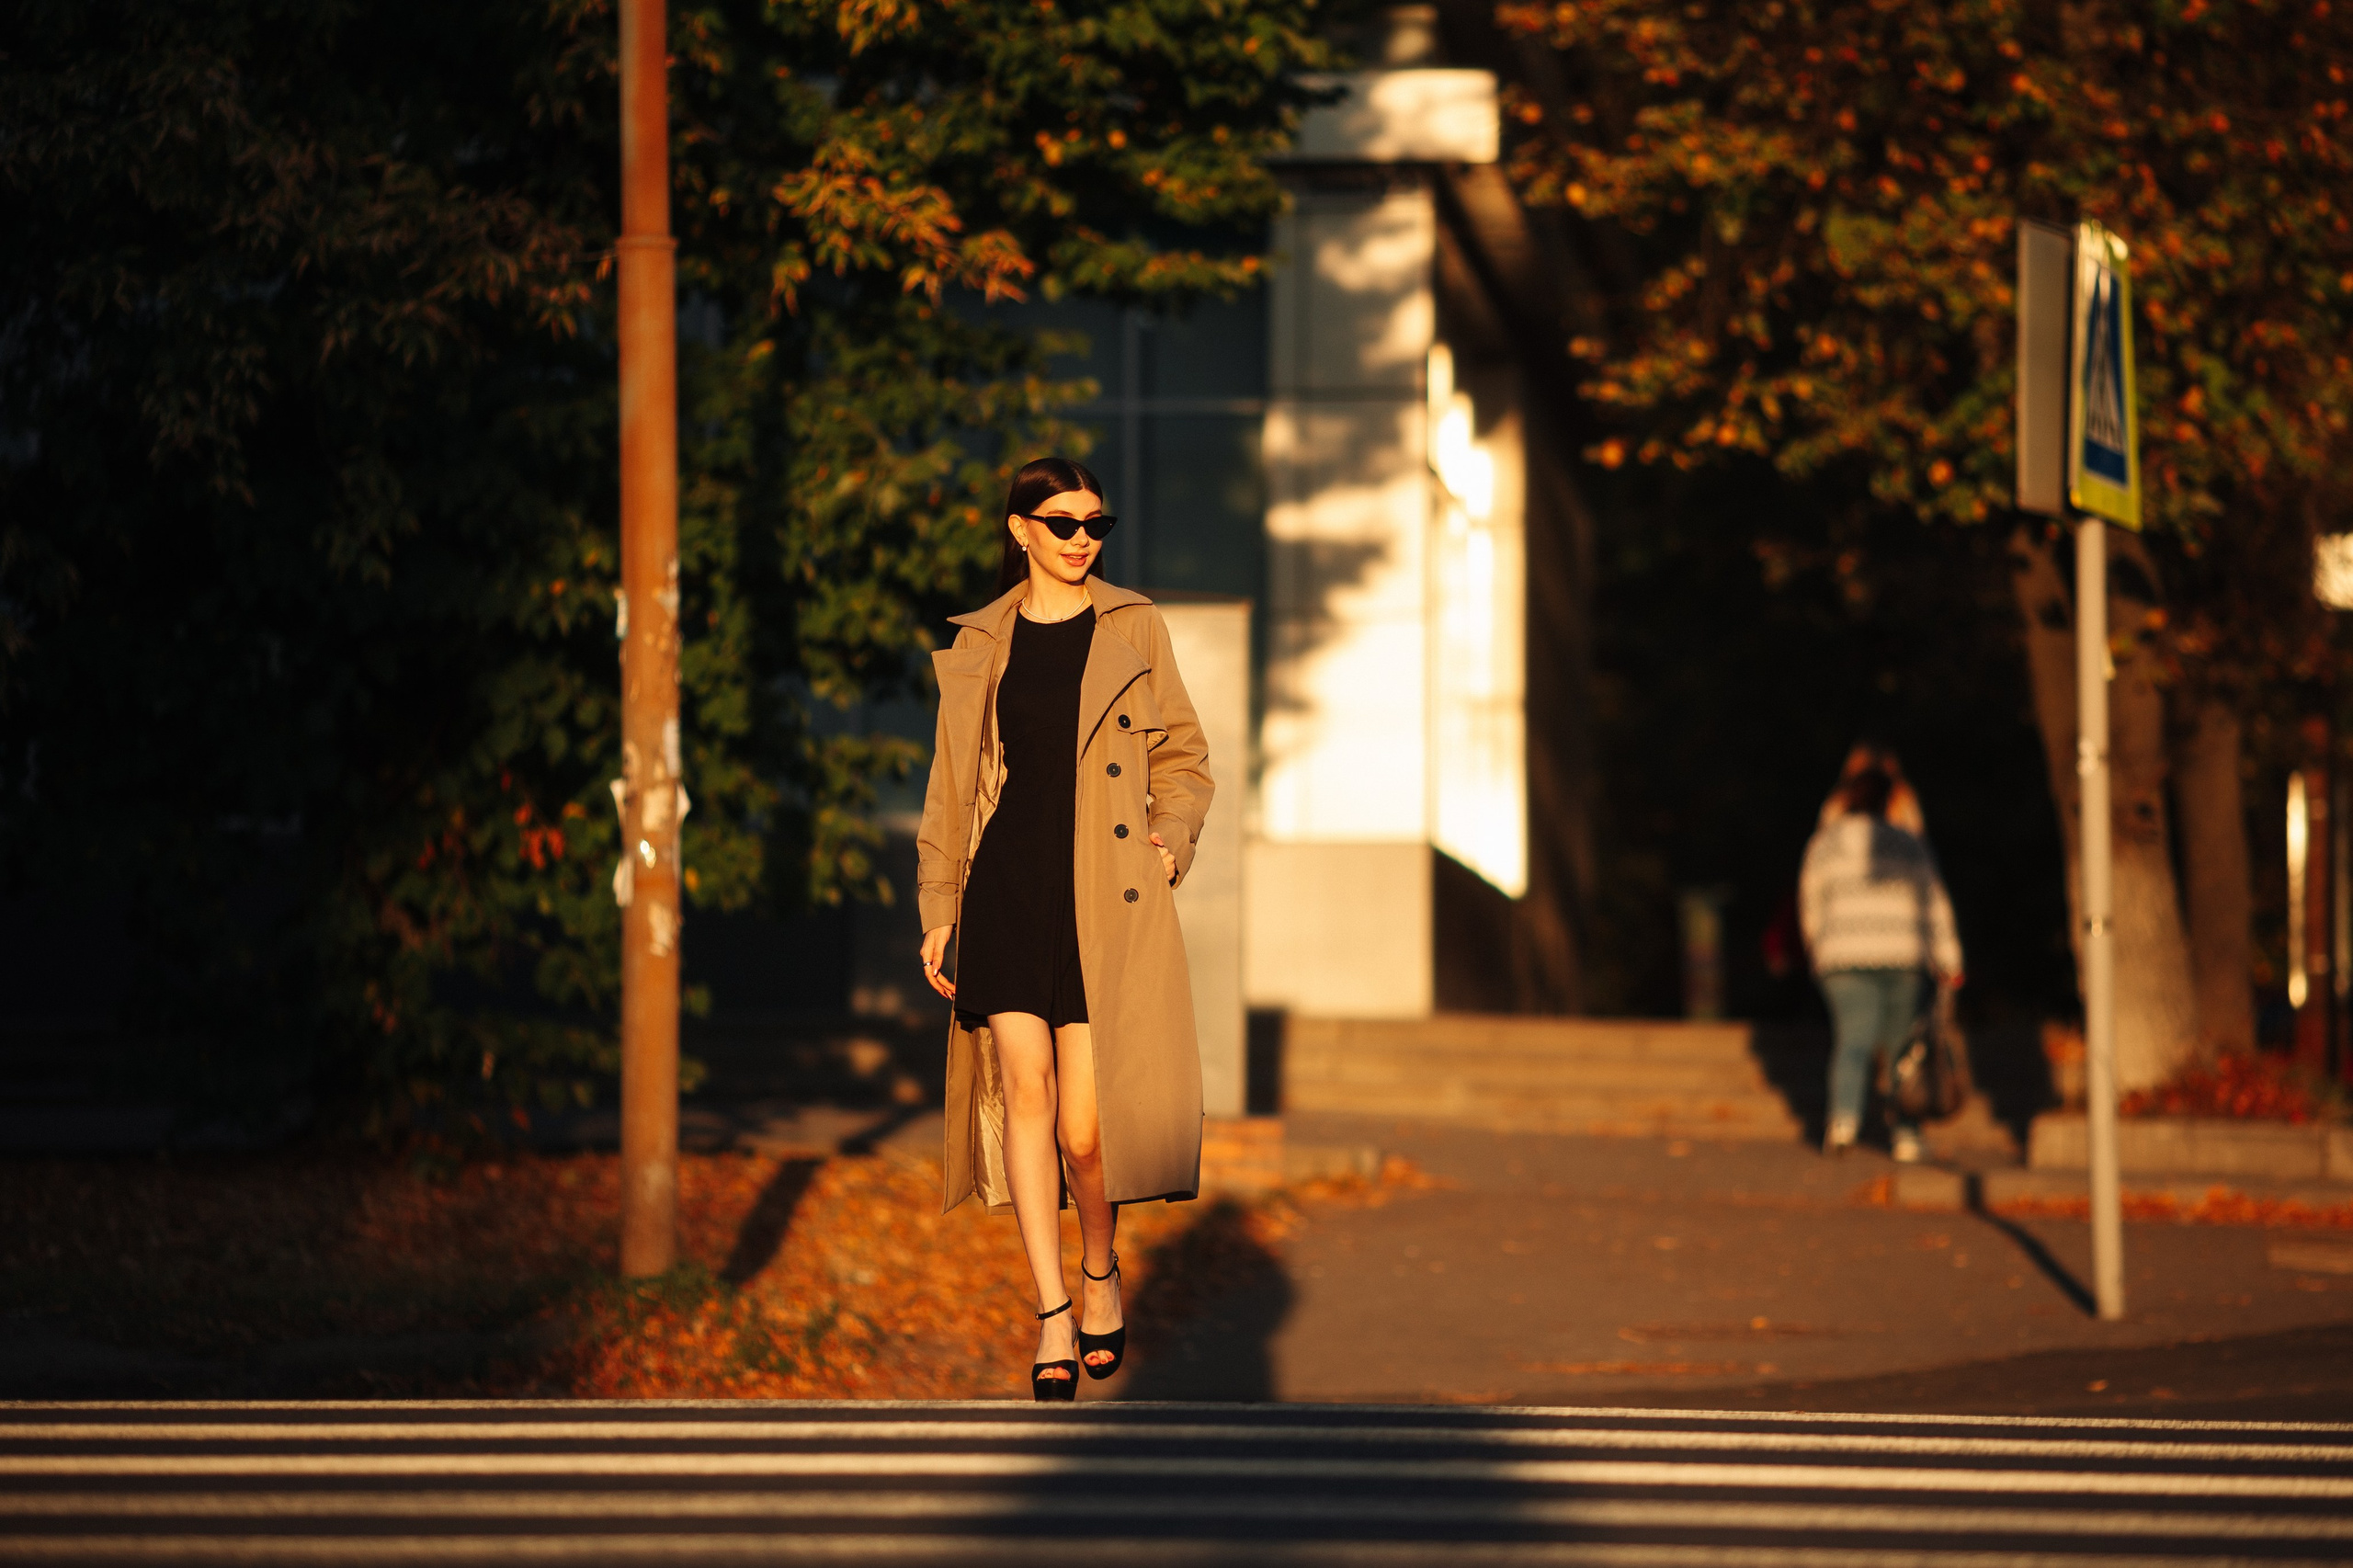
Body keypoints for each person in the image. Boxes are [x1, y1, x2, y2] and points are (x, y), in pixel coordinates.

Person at [914, 456, 1214, 1401]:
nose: (1082, 538)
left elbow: (1184, 754)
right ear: (1020, 530)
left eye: (1095, 523)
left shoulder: (1133, 625)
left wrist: (1169, 840)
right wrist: (937, 903)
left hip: (1104, 891)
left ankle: (1098, 1268)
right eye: (1062, 522)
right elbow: (951, 782)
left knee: (1087, 1133)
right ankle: (1049, 1308)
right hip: (1006, 882)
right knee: (1025, 1095)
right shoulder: (979, 640)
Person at [1798, 757, 1962, 1162]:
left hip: (1843, 956)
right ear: (1889, 800)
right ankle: (1905, 1134)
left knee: (1852, 1039)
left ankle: (1842, 1124)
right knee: (1902, 1046)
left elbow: (1811, 903)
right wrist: (1949, 957)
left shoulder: (1825, 844)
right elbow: (1935, 903)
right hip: (1901, 952)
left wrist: (1818, 947)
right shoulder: (1909, 843)